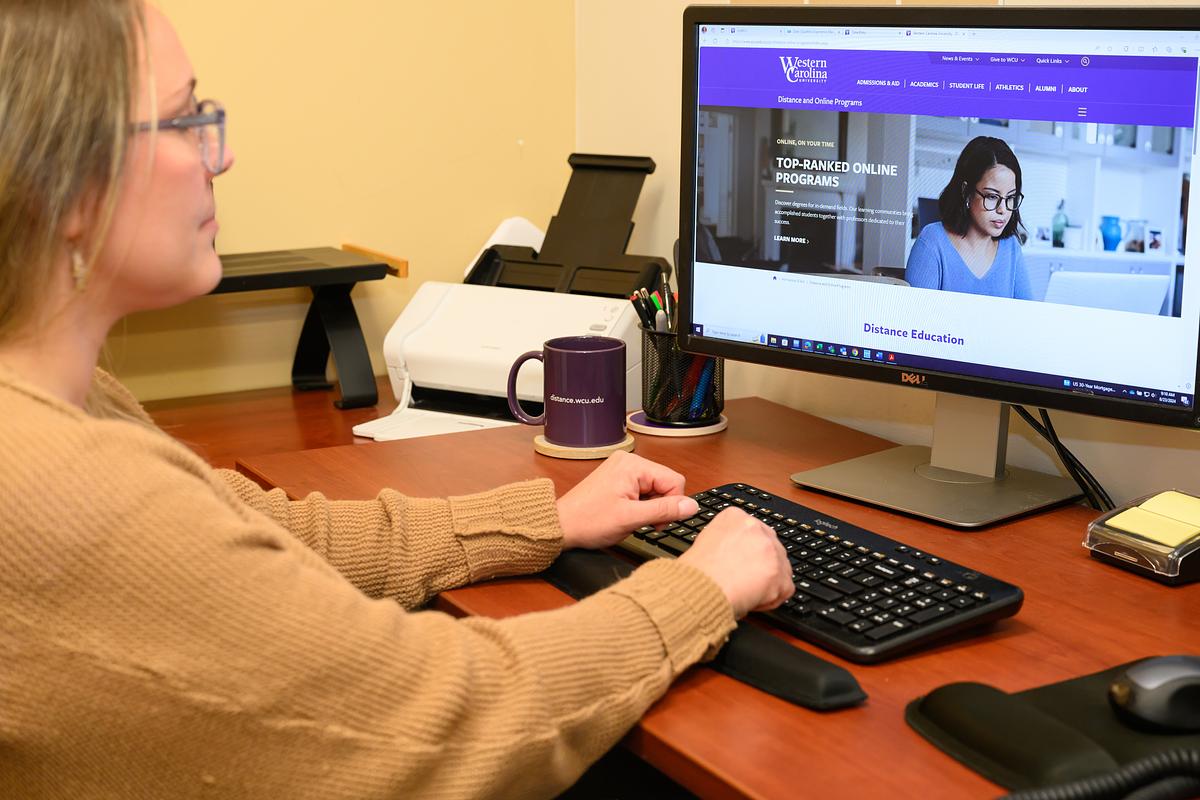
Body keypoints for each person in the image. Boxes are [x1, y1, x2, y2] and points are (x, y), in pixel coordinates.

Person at [0, 2, 794, 798]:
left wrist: (549, 520)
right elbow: (447, 718)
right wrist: (702, 588)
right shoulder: (69, 489)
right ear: (62, 186)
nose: (225, 154)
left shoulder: (63, 404)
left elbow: (272, 532)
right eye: (184, 121)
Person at [905, 136, 1034, 300]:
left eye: (1010, 198)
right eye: (992, 197)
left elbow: (1028, 317)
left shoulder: (1011, 247)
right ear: (966, 192)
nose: (1003, 209)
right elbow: (915, 319)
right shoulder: (932, 242)